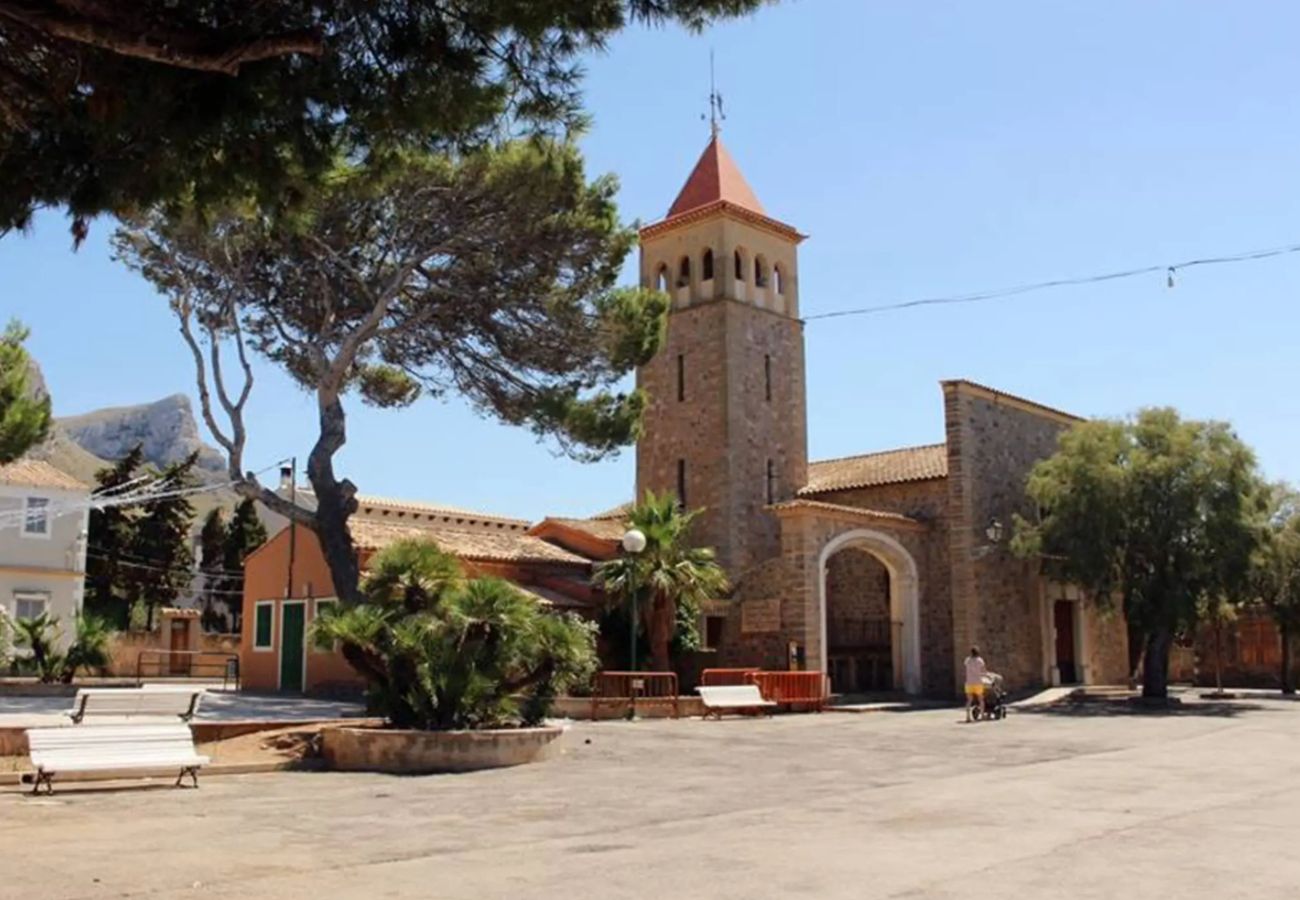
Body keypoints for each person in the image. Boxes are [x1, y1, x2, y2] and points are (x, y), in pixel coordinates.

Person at [964, 646, 987, 721]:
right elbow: (983, 671)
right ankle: (982, 715)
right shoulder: (980, 660)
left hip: (969, 682)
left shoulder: (967, 660)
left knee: (969, 700)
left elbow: (965, 666)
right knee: (981, 699)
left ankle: (968, 717)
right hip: (978, 682)